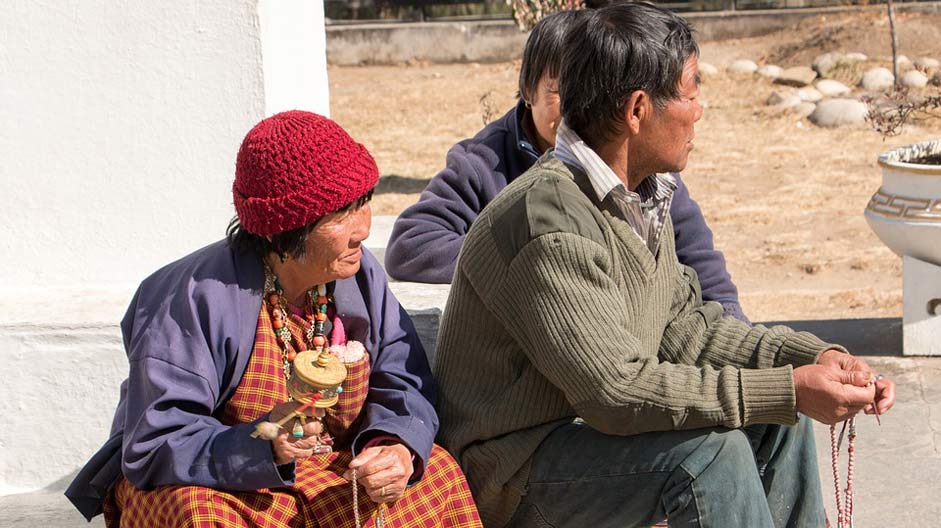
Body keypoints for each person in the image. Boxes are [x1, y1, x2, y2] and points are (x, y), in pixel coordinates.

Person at [433, 4, 896, 528]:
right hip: (513, 469)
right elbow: (617, 394)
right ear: (637, 110)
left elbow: (687, 328)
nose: (699, 111)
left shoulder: (638, 195)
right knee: (710, 458)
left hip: (583, 433)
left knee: (778, 421)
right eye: (691, 93)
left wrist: (817, 358)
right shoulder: (550, 220)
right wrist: (789, 388)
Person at [65, 111, 482, 528]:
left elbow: (402, 377)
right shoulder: (189, 298)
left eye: (364, 202)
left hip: (321, 466)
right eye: (340, 215)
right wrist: (263, 442)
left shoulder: (357, 274)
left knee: (438, 475)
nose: (363, 230)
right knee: (194, 512)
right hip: (219, 478)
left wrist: (394, 446)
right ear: (281, 230)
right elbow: (158, 441)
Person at [384, 9, 749, 323]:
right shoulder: (483, 162)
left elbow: (702, 266)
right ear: (528, 91)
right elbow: (412, 245)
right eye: (561, 91)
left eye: (587, 90)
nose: (576, 108)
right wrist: (537, 262)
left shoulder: (641, 163)